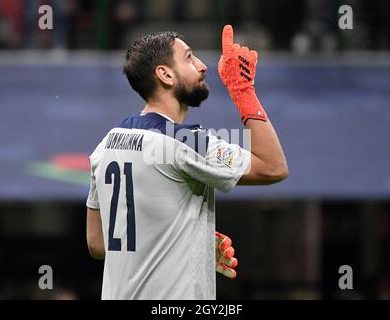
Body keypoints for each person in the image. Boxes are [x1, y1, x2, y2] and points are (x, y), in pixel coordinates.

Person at [86, 25, 288, 300]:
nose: (203, 66)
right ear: (165, 74)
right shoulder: (183, 141)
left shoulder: (106, 144)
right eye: (190, 57)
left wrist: (185, 240)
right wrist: (243, 91)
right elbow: (273, 167)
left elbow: (98, 244)